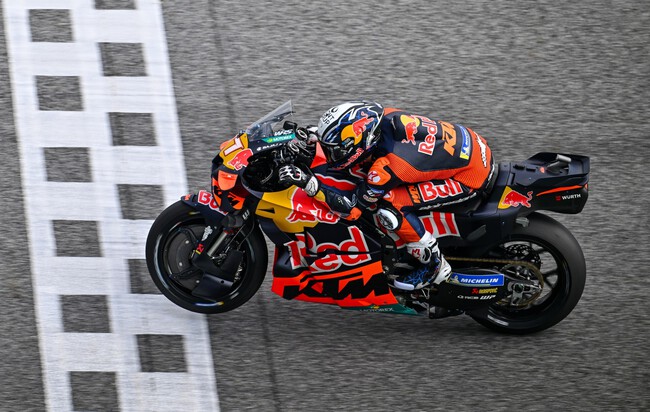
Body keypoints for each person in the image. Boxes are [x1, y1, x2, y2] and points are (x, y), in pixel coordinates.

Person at [278, 101, 495, 291]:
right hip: (470, 143)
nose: (331, 155)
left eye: (335, 151)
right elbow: (350, 134)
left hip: (469, 177)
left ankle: (434, 264)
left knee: (391, 205)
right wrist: (315, 135)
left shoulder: (385, 168)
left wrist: (308, 184)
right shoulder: (381, 116)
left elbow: (352, 210)